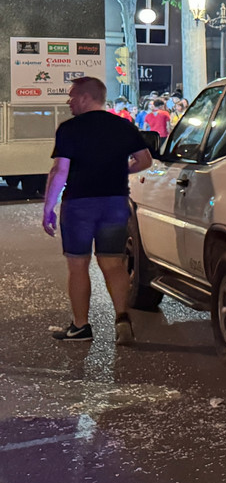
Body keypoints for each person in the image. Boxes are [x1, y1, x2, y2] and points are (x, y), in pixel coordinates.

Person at [41, 76, 153, 344]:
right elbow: (145, 160)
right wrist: (121, 170)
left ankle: (80, 326)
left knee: (78, 264)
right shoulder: (123, 125)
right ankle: (122, 319)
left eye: (71, 97)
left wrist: (48, 207)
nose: (69, 102)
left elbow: (60, 170)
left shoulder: (69, 129)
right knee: (113, 263)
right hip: (115, 203)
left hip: (79, 205)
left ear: (85, 98)